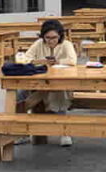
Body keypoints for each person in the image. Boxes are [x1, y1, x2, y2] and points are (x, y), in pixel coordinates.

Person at [20, 19, 78, 147]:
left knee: (59, 91)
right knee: (19, 94)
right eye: (47, 38)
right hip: (38, 80)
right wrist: (41, 61)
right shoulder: (38, 44)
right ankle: (20, 132)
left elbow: (72, 60)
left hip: (61, 81)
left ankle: (64, 132)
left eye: (54, 37)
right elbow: (25, 59)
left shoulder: (66, 44)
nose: (51, 41)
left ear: (60, 36)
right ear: (43, 37)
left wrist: (57, 62)